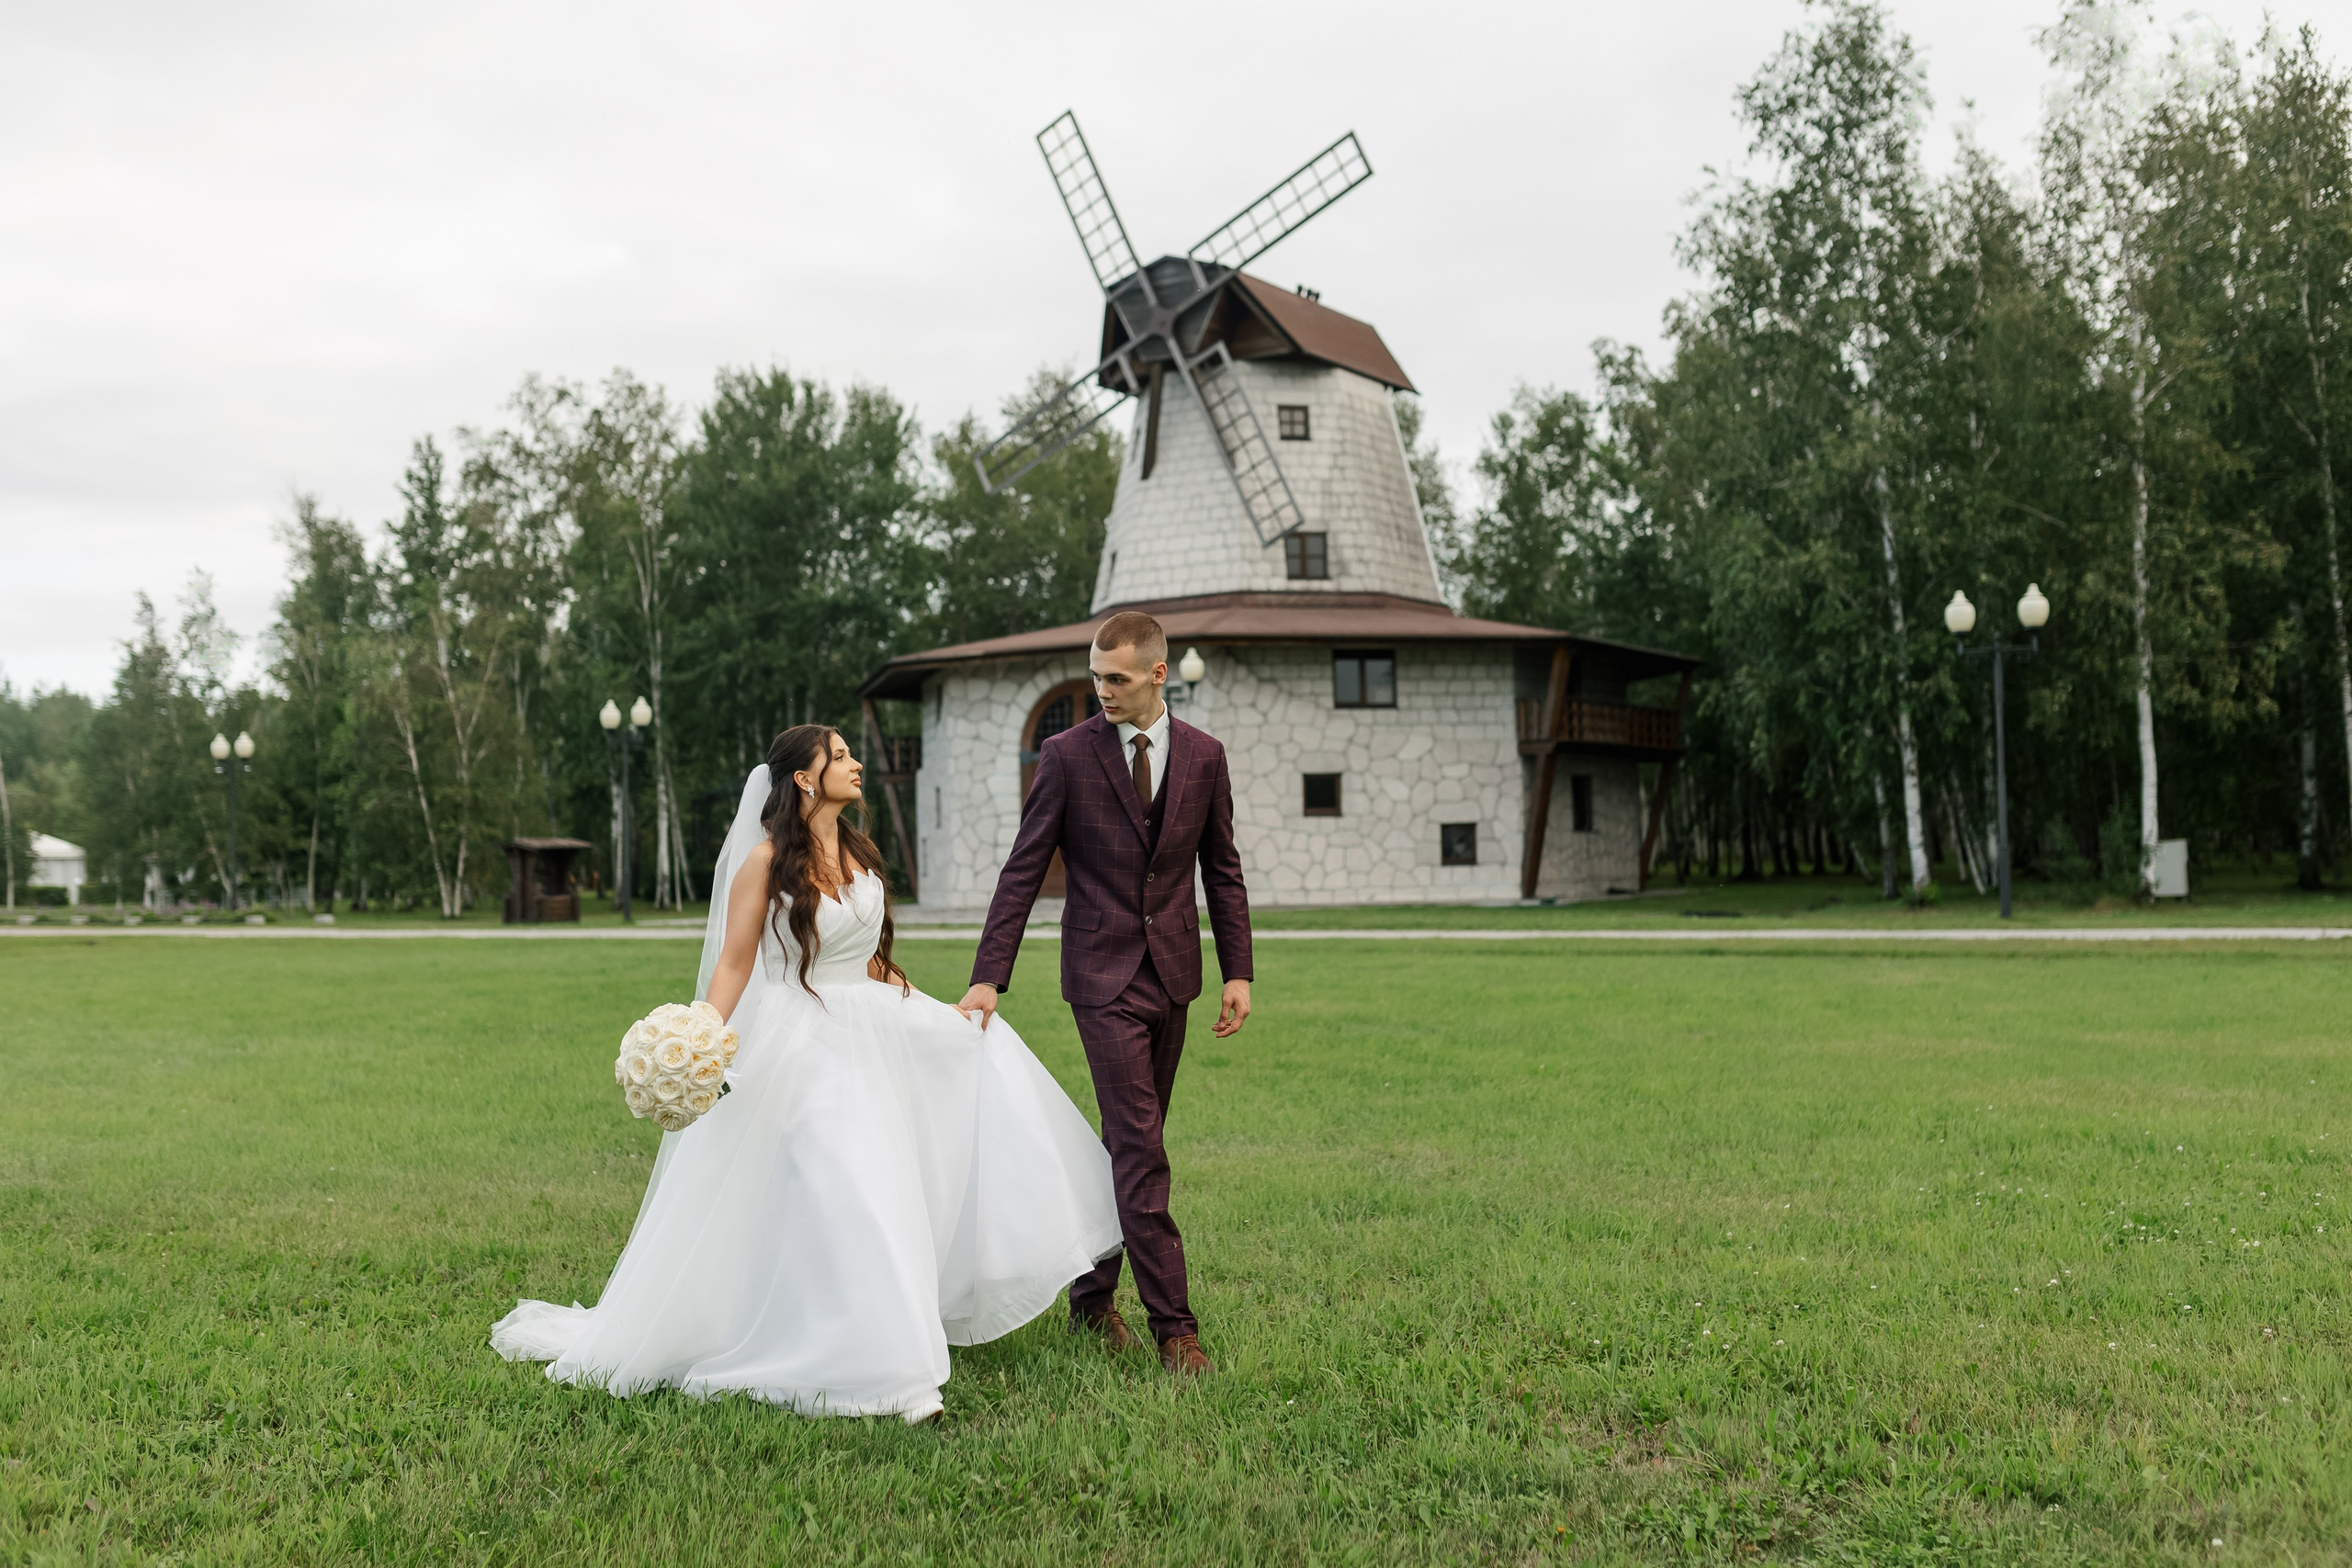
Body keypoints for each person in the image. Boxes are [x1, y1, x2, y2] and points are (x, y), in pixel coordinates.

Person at [490, 725, 1121, 1424]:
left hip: (873, 1029)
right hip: (802, 1041)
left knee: (890, 1179)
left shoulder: (860, 852)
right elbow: (736, 961)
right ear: (803, 777)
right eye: (840, 755)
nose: (856, 764)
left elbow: (869, 959)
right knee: (849, 1187)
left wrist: (938, 1012)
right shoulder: (764, 862)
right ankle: (898, 1380)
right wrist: (699, 1039)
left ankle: (881, 1348)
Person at [956, 611, 1252, 1377]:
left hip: (1175, 974)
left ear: (1158, 673)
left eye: (1116, 678)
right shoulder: (1066, 755)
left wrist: (1238, 971)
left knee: (1126, 1144)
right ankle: (1176, 1331)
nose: (1102, 690)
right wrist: (989, 974)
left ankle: (1090, 1299)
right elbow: (1023, 869)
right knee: (1142, 1146)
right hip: (1099, 976)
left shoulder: (1206, 756)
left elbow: (1222, 869)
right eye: (1095, 676)